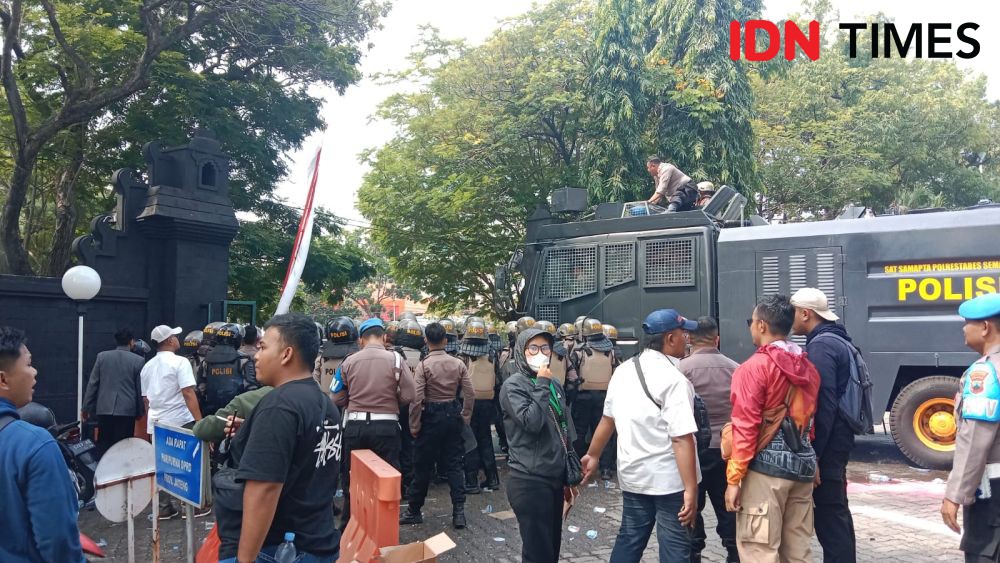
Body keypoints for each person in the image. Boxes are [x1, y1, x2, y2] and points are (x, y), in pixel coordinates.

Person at [581, 309, 701, 562]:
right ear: (670, 338)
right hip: (670, 482)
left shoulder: (623, 371)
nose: (687, 338)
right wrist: (690, 489)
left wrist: (592, 455)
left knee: (630, 540)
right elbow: (681, 438)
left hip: (634, 476)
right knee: (675, 547)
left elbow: (607, 419)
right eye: (683, 333)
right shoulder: (674, 380)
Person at [223, 313, 342, 563]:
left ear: (286, 354)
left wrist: (245, 559)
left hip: (280, 551)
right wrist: (256, 432)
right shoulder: (323, 402)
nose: (256, 355)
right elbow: (302, 452)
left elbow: (264, 488)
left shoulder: (279, 406)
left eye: (263, 347)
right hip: (318, 543)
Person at [725, 295, 821, 562]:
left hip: (765, 473)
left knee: (760, 551)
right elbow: (808, 420)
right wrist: (812, 461)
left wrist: (734, 479)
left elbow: (746, 426)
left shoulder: (754, 368)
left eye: (751, 322)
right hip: (802, 471)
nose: (751, 327)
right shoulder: (809, 368)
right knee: (799, 552)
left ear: (762, 325)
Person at [0, 326, 85, 562]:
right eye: (28, 364)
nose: (34, 372)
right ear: (3, 379)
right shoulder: (34, 445)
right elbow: (58, 543)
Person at [790, 287, 857, 563]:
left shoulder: (821, 346)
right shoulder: (839, 339)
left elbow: (823, 404)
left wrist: (814, 453)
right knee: (837, 512)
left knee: (830, 516)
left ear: (806, 314)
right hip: (840, 439)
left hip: (830, 444)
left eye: (793, 311)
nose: (790, 318)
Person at [500, 326, 576, 563]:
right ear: (521, 352)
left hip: (553, 477)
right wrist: (542, 385)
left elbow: (563, 429)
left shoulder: (555, 384)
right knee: (538, 553)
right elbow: (531, 422)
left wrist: (569, 475)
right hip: (530, 480)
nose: (541, 353)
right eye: (533, 348)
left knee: (550, 549)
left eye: (545, 348)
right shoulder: (514, 386)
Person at [334, 317, 416, 528]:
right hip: (386, 428)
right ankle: (383, 529)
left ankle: (349, 529)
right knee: (386, 480)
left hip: (354, 427)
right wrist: (391, 401)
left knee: (352, 479)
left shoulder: (348, 361)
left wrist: (352, 401)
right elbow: (409, 394)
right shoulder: (396, 359)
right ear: (384, 337)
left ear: (361, 339)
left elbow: (336, 397)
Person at [941, 292, 1000, 563]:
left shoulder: (985, 374)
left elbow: (974, 440)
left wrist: (955, 495)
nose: (964, 329)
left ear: (986, 327)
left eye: (967, 322)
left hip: (992, 495)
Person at [400, 322, 475, 529]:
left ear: (426, 340)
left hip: (430, 417)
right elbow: (470, 393)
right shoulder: (458, 363)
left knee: (422, 465)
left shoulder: (424, 366)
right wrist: (465, 417)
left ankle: (414, 510)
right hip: (452, 414)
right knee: (454, 464)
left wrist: (414, 425)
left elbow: (416, 400)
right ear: (445, 340)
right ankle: (459, 513)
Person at [678, 316, 740, 563]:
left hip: (692, 452)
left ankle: (693, 553)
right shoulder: (736, 368)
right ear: (717, 339)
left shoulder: (681, 370)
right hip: (727, 452)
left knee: (691, 509)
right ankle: (734, 553)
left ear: (689, 339)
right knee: (730, 512)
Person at [142, 324, 205, 519]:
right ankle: (191, 506)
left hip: (157, 422)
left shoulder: (147, 367)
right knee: (186, 463)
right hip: (180, 420)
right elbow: (188, 392)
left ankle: (164, 507)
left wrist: (152, 419)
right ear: (169, 341)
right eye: (175, 336)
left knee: (163, 464)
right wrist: (199, 421)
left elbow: (146, 400)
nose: (178, 339)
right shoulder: (180, 362)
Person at [571, 317, 620, 482]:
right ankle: (605, 469)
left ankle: (578, 467)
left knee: (579, 432)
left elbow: (572, 374)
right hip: (604, 397)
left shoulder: (579, 351)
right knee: (603, 433)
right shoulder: (611, 351)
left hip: (583, 397)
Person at [82, 328, 145, 454]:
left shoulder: (102, 357)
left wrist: (86, 408)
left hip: (105, 408)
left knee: (104, 443)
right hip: (127, 411)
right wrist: (140, 411)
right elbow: (139, 389)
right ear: (131, 342)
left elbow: (93, 384)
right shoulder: (138, 361)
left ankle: (103, 469)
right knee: (124, 445)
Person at [458, 318, 501, 493]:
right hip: (487, 403)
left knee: (470, 442)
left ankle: (471, 482)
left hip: (468, 402)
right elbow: (498, 380)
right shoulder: (493, 354)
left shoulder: (462, 355)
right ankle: (492, 480)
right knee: (486, 440)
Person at [199, 323, 258, 416]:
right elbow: (251, 389)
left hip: (210, 412)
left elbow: (201, 388)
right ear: (237, 339)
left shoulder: (206, 361)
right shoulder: (243, 360)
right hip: (236, 412)